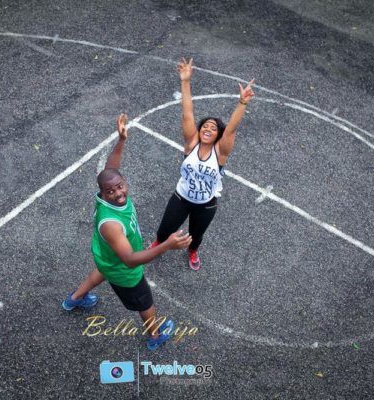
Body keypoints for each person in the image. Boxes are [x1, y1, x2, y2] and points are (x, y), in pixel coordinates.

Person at [62, 113, 192, 350]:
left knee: (101, 272)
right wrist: (167, 245)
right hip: (124, 270)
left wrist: (121, 140)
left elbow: (111, 168)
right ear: (103, 193)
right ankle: (155, 336)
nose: (118, 193)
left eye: (120, 186)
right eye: (112, 191)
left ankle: (74, 299)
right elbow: (131, 260)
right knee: (145, 303)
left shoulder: (106, 191)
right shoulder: (111, 223)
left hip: (106, 258)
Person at [150, 58, 255, 270]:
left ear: (218, 135)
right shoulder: (191, 145)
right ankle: (158, 245)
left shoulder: (221, 153)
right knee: (163, 231)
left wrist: (242, 103)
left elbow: (232, 129)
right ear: (199, 131)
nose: (208, 128)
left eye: (214, 128)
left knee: (196, 236)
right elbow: (187, 113)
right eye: (205, 126)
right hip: (181, 198)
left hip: (206, 204)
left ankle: (193, 251)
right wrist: (185, 81)